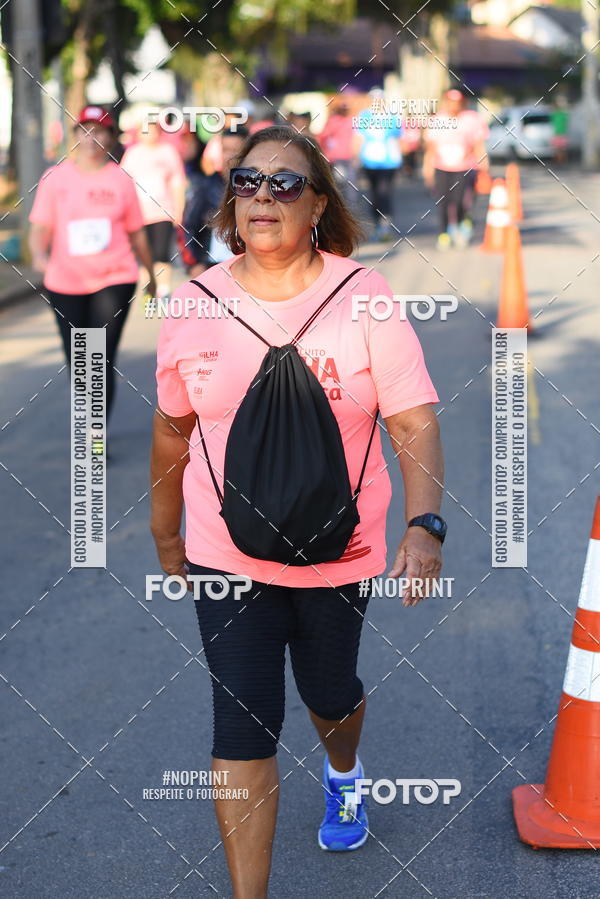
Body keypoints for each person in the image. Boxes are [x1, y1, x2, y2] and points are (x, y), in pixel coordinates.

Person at [150, 125, 444, 898]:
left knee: (330, 693)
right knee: (242, 721)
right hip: (227, 553)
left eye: (285, 184)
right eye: (247, 182)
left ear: (317, 204)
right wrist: (164, 528)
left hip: (337, 551)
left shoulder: (363, 295)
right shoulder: (193, 303)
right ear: (228, 201)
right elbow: (170, 427)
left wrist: (423, 524)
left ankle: (344, 768)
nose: (262, 197)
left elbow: (411, 420)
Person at [28, 105, 156, 426]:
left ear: (111, 138)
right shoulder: (55, 178)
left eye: (99, 131)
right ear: (74, 137)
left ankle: (93, 436)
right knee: (79, 360)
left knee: (97, 358)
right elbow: (39, 230)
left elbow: (137, 233)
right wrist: (40, 258)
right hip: (64, 282)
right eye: (84, 130)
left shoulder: (121, 180)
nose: (91, 138)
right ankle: (88, 422)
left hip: (114, 278)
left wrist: (151, 274)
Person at [121, 114, 186, 298]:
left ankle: (163, 291)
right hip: (139, 214)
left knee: (162, 252)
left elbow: (178, 182)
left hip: (163, 211)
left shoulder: (168, 152)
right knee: (144, 254)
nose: (149, 133)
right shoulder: (133, 154)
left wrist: (179, 209)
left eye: (152, 129)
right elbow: (123, 183)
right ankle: (148, 291)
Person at [422, 89, 490, 250]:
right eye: (450, 102)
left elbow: (479, 145)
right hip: (442, 167)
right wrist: (427, 170)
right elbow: (430, 148)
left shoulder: (471, 119)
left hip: (463, 167)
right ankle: (444, 233)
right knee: (444, 202)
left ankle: (459, 225)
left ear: (462, 103)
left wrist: (485, 166)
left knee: (459, 201)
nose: (453, 105)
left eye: (457, 102)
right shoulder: (437, 120)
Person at [178, 126, 249, 277]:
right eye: (225, 150)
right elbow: (188, 227)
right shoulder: (205, 186)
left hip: (247, 268)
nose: (228, 156)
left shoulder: (259, 189)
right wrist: (194, 264)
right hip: (211, 268)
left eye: (235, 150)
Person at [356, 88, 404, 241]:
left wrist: (402, 161)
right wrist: (355, 158)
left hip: (389, 163)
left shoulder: (392, 116)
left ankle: (385, 224)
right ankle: (377, 224)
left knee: (384, 193)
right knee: (374, 195)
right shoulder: (364, 116)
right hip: (369, 162)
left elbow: (399, 139)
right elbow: (358, 138)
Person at [318, 102, 360, 207]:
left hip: (339, 158)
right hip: (340, 159)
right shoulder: (348, 121)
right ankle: (346, 208)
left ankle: (344, 208)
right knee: (345, 184)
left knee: (341, 184)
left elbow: (322, 136)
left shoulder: (336, 121)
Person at [551, 97, 570, 165]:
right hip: (558, 133)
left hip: (560, 133)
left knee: (561, 149)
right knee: (559, 149)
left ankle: (561, 161)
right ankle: (560, 161)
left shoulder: (559, 114)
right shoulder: (556, 115)